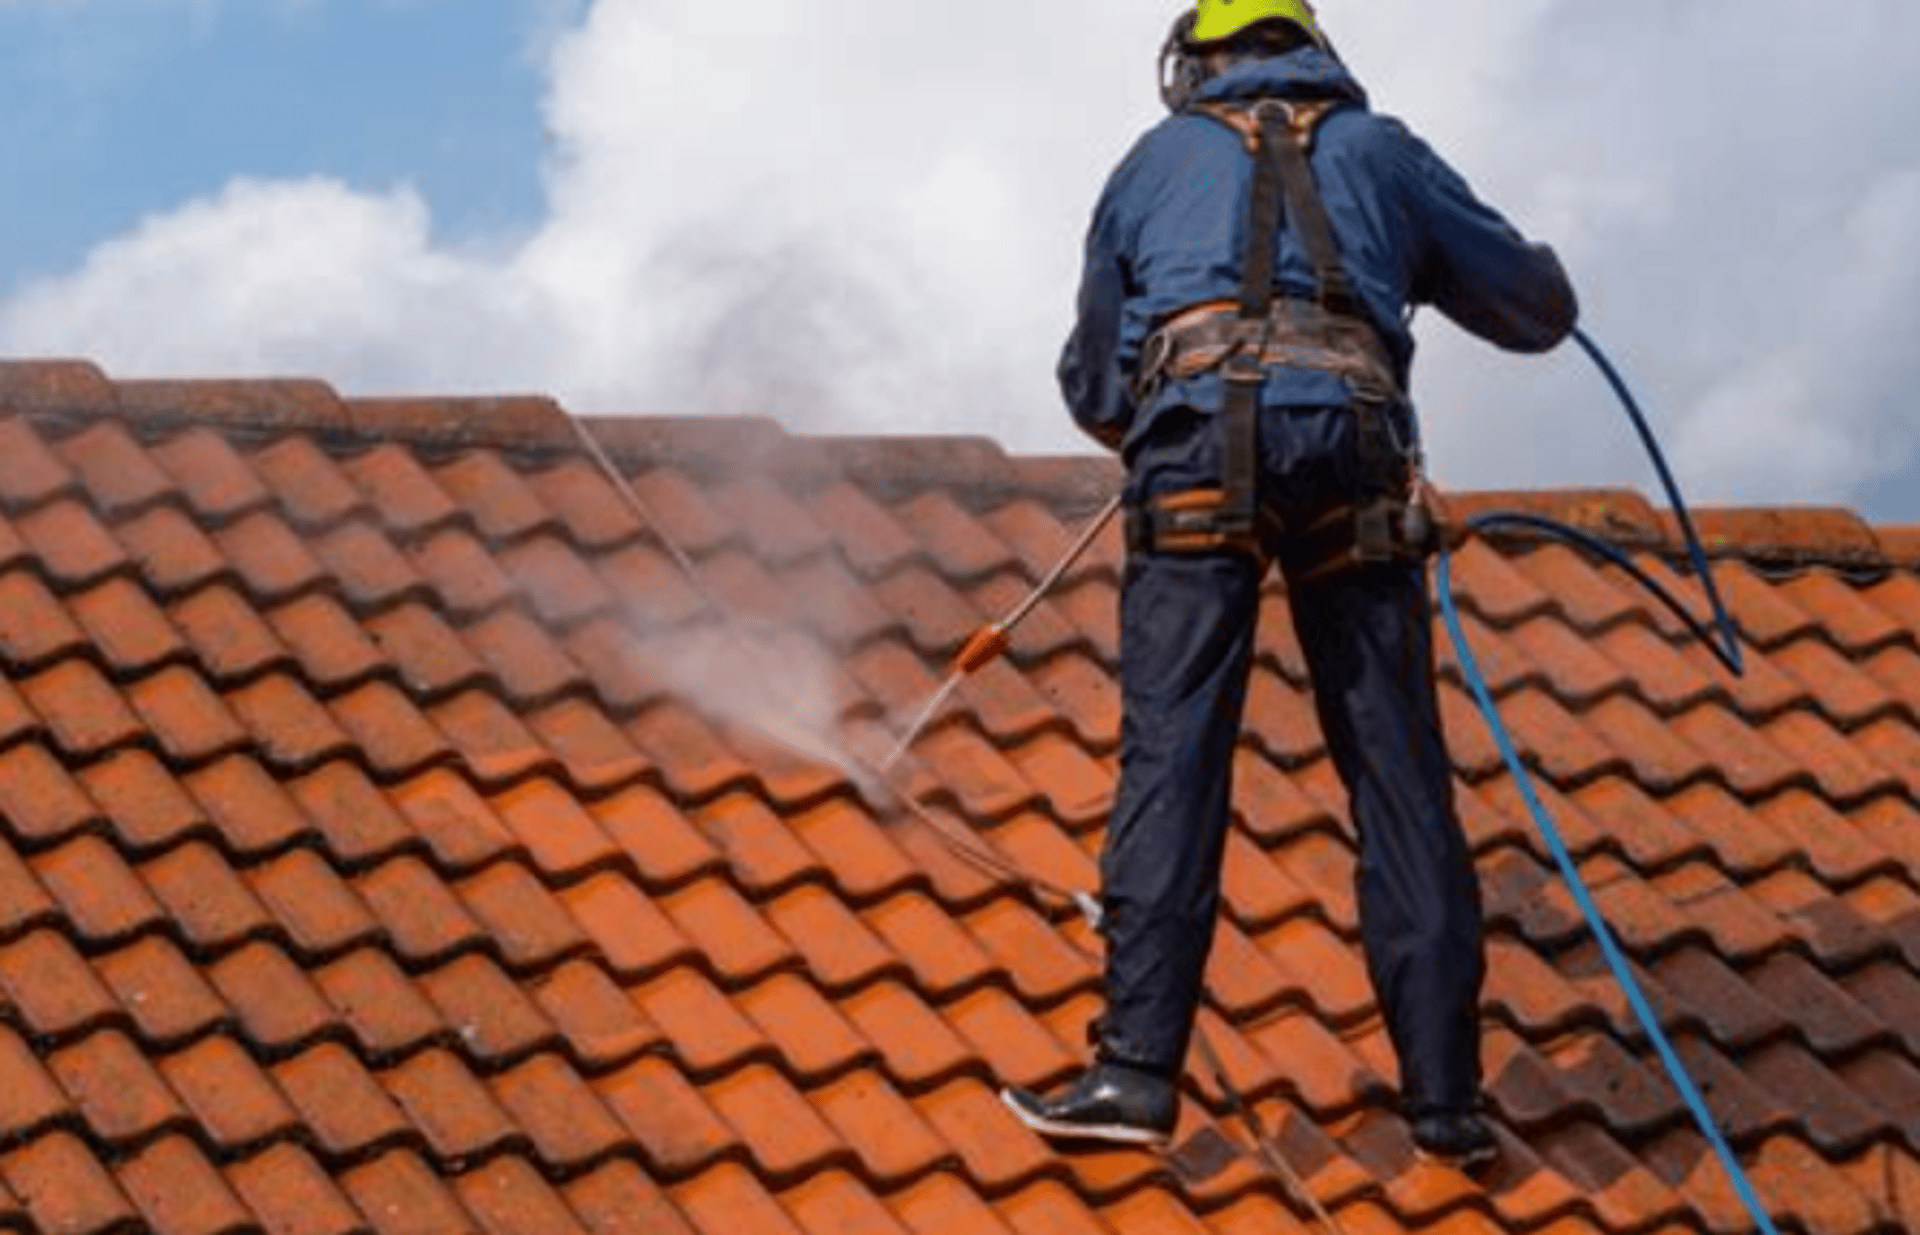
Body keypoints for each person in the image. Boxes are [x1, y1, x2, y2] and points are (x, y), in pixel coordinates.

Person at [1000, 0, 1576, 1171]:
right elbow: (1533, 311)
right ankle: (1447, 1099)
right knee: (1397, 762)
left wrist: (1170, 401)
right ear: (1309, 47)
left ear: (1198, 61)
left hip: (1200, 443)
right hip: (1357, 447)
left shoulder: (1152, 162)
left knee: (1176, 749)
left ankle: (1133, 1073)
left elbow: (1098, 380)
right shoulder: (1384, 151)